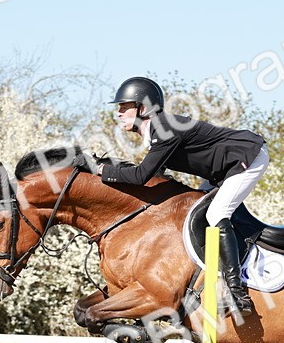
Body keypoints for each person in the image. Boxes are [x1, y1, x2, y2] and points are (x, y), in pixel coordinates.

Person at [97, 76, 266, 316]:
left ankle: (237, 294)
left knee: (217, 213)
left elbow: (142, 175)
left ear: (143, 108)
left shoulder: (164, 129)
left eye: (124, 107)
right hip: (224, 169)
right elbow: (156, 177)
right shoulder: (156, 130)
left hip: (247, 157)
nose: (119, 113)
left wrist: (101, 170)